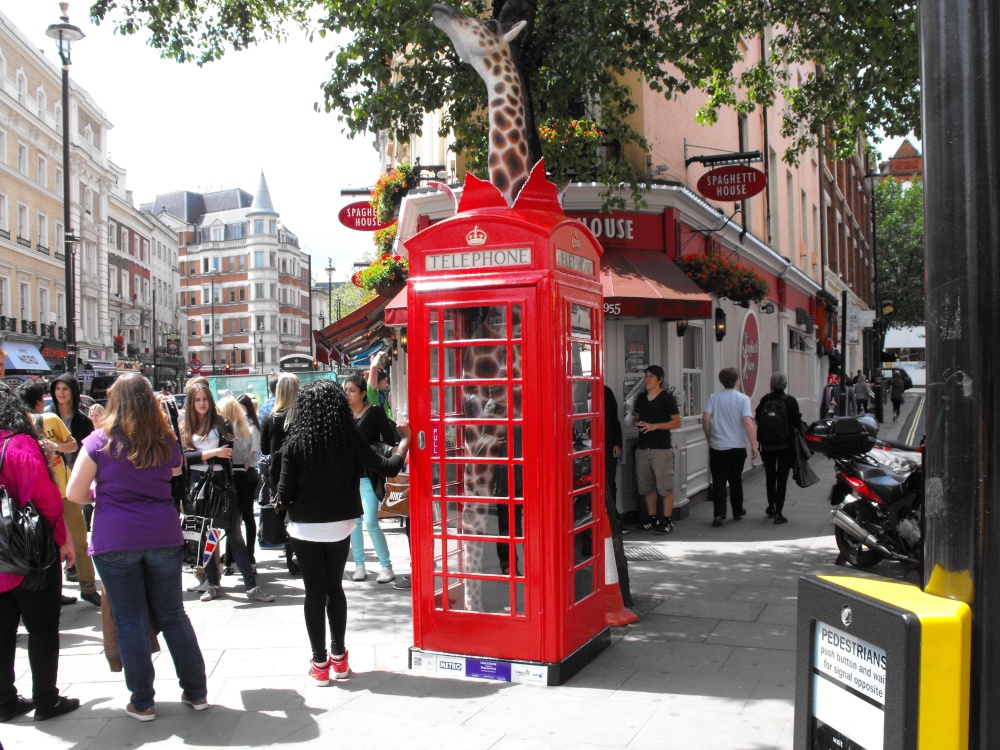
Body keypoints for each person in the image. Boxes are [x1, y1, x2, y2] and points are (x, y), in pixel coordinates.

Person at [65, 373, 208, 721]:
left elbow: (73, 492)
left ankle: (142, 702)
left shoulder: (98, 441)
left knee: (130, 620)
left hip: (115, 539)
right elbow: (176, 470)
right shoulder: (165, 439)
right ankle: (197, 692)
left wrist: (104, 495)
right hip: (162, 535)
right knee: (174, 615)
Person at [275, 379, 409, 684]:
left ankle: (319, 665)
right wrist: (406, 440)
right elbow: (389, 467)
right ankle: (340, 659)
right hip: (340, 526)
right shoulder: (348, 439)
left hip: (304, 528)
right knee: (334, 588)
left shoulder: (295, 443)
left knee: (314, 592)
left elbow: (283, 496)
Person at [0, 386, 79, 722]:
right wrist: (64, 539)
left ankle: (4, 701)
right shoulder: (20, 443)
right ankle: (46, 699)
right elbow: (46, 498)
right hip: (31, 553)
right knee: (42, 627)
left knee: (2, 631)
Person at [181, 380, 274, 603]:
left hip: (221, 481)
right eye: (197, 400)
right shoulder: (186, 424)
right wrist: (212, 453)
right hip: (197, 483)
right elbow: (185, 456)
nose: (202, 403)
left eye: (205, 399)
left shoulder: (222, 422)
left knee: (233, 533)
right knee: (206, 534)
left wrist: (203, 455)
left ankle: (251, 586)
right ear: (191, 403)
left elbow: (228, 453)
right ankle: (213, 584)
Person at [18, 383, 100, 607]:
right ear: (39, 402)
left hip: (61, 493)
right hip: (44, 495)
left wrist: (51, 445)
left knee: (76, 542)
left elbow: (72, 445)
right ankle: (67, 590)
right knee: (53, 545)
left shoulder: (49, 420)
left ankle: (87, 587)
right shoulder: (20, 426)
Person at [343, 373, 397, 584]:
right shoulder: (344, 415)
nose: (347, 394)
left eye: (352, 390)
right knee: (354, 523)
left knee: (371, 521)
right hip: (349, 475)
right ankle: (359, 565)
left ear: (363, 393)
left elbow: (391, 440)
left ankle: (386, 566)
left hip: (369, 474)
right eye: (345, 390)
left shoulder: (374, 412)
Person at [46, 374, 94, 592]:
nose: (61, 393)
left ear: (73, 392)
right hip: (50, 483)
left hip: (74, 481)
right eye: (57, 389)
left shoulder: (82, 420)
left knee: (78, 535)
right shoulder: (47, 417)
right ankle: (59, 583)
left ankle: (88, 585)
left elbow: (87, 452)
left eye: (65, 388)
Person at [702, 368, 758, 527]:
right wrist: (754, 444)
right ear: (737, 381)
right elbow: (747, 421)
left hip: (718, 446)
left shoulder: (714, 397)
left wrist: (708, 436)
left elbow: (706, 418)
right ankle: (738, 510)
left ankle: (719, 514)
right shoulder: (743, 399)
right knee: (735, 479)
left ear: (722, 381)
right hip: (737, 447)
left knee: (719, 481)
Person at [632, 365, 682, 534]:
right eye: (646, 376)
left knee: (665, 486)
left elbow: (676, 422)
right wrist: (635, 422)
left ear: (660, 379)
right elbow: (637, 418)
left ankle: (667, 521)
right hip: (643, 447)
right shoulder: (641, 398)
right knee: (647, 486)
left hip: (661, 448)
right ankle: (651, 519)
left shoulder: (666, 398)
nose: (647, 379)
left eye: (651, 376)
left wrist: (655, 426)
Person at [260, 373, 300, 574]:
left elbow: (265, 449)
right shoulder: (302, 416)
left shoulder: (270, 418)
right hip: (301, 472)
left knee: (283, 513)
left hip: (278, 473)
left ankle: (290, 561)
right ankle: (300, 556)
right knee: (299, 515)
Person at [218, 397, 259, 576]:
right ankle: (248, 557)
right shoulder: (246, 429)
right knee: (245, 517)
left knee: (231, 520)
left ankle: (229, 560)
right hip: (245, 474)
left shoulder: (223, 431)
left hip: (229, 475)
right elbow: (251, 456)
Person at [755, 372, 802, 525]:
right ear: (785, 385)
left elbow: (757, 417)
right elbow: (796, 422)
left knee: (770, 476)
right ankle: (779, 513)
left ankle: (771, 506)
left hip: (767, 446)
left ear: (771, 384)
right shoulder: (790, 401)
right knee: (782, 479)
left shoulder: (765, 400)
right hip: (785, 445)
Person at [603, 384, 625, 533]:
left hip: (607, 447)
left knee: (610, 486)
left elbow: (614, 419)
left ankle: (613, 522)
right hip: (587, 448)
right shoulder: (579, 388)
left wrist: (617, 442)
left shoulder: (606, 391)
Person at [367, 352, 393, 419]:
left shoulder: (379, 391)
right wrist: (379, 355)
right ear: (377, 381)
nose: (387, 379)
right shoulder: (371, 391)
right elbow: (373, 367)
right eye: (384, 378)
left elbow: (379, 370)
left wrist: (376, 362)